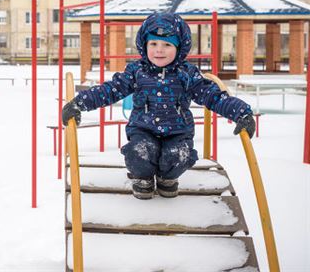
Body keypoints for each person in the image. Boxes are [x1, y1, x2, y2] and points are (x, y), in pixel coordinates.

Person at [62, 12, 256, 200]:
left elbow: (213, 96)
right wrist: (79, 103)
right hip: (143, 129)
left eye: (167, 45)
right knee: (140, 151)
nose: (159, 50)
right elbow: (111, 90)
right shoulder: (137, 71)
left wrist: (241, 112)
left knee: (180, 154)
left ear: (179, 48)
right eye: (153, 43)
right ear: (144, 45)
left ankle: (167, 178)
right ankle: (143, 178)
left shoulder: (186, 74)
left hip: (178, 132)